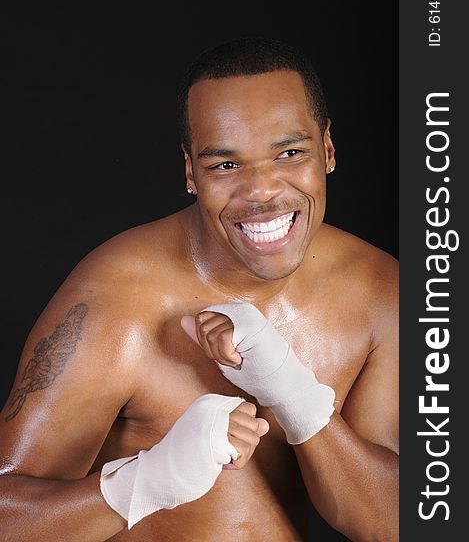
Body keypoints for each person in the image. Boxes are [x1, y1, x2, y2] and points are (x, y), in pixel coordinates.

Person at [0, 37, 398, 541]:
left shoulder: (381, 289)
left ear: (328, 150)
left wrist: (296, 398)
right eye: (225, 165)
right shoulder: (119, 299)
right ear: (191, 172)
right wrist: (145, 481)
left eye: (290, 153)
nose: (262, 191)